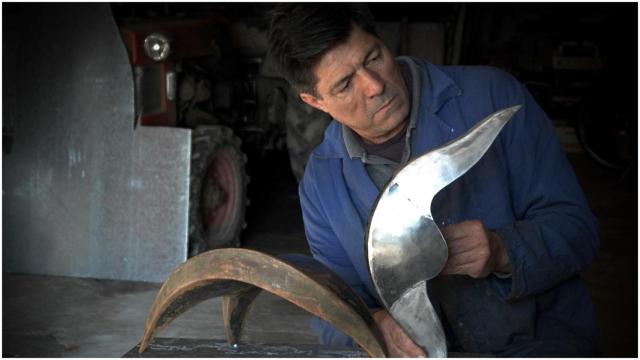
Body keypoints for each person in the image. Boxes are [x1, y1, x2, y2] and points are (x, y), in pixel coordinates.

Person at [268, 3, 600, 357]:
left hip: (540, 343)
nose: (375, 86)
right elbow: (333, 303)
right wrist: (377, 325)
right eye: (346, 84)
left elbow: (579, 230)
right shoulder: (322, 185)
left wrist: (503, 250)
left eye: (373, 58)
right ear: (315, 101)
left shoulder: (492, 96)